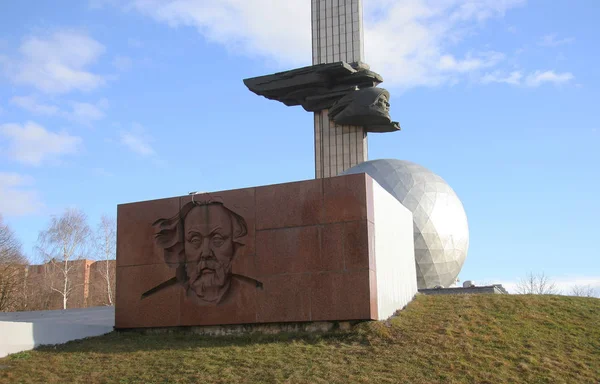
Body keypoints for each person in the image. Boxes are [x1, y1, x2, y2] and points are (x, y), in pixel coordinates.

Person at [150, 198, 258, 305]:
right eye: (195, 240)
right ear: (183, 249)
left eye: (217, 239)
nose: (206, 253)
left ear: (233, 247)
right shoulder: (154, 302)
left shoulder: (256, 293)